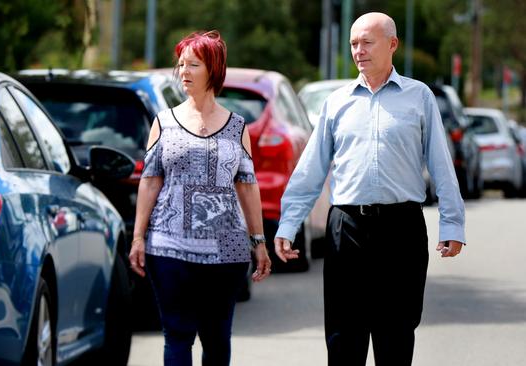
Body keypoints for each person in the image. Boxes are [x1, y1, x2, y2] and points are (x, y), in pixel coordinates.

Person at [274, 12, 466, 366]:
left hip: (401, 229)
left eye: (367, 42)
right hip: (346, 229)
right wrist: (288, 224)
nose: (358, 51)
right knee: (344, 338)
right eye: (353, 43)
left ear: (392, 44)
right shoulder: (337, 102)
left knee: (396, 335)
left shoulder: (418, 97)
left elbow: (441, 164)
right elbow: (310, 170)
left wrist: (452, 224)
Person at [129, 30, 272, 366]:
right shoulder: (164, 122)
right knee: (177, 334)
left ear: (213, 69)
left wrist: (259, 240)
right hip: (169, 247)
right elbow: (149, 182)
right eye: (181, 64)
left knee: (217, 337)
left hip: (227, 253)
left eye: (193, 64)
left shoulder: (238, 127)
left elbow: (247, 185)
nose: (184, 72)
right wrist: (138, 236)